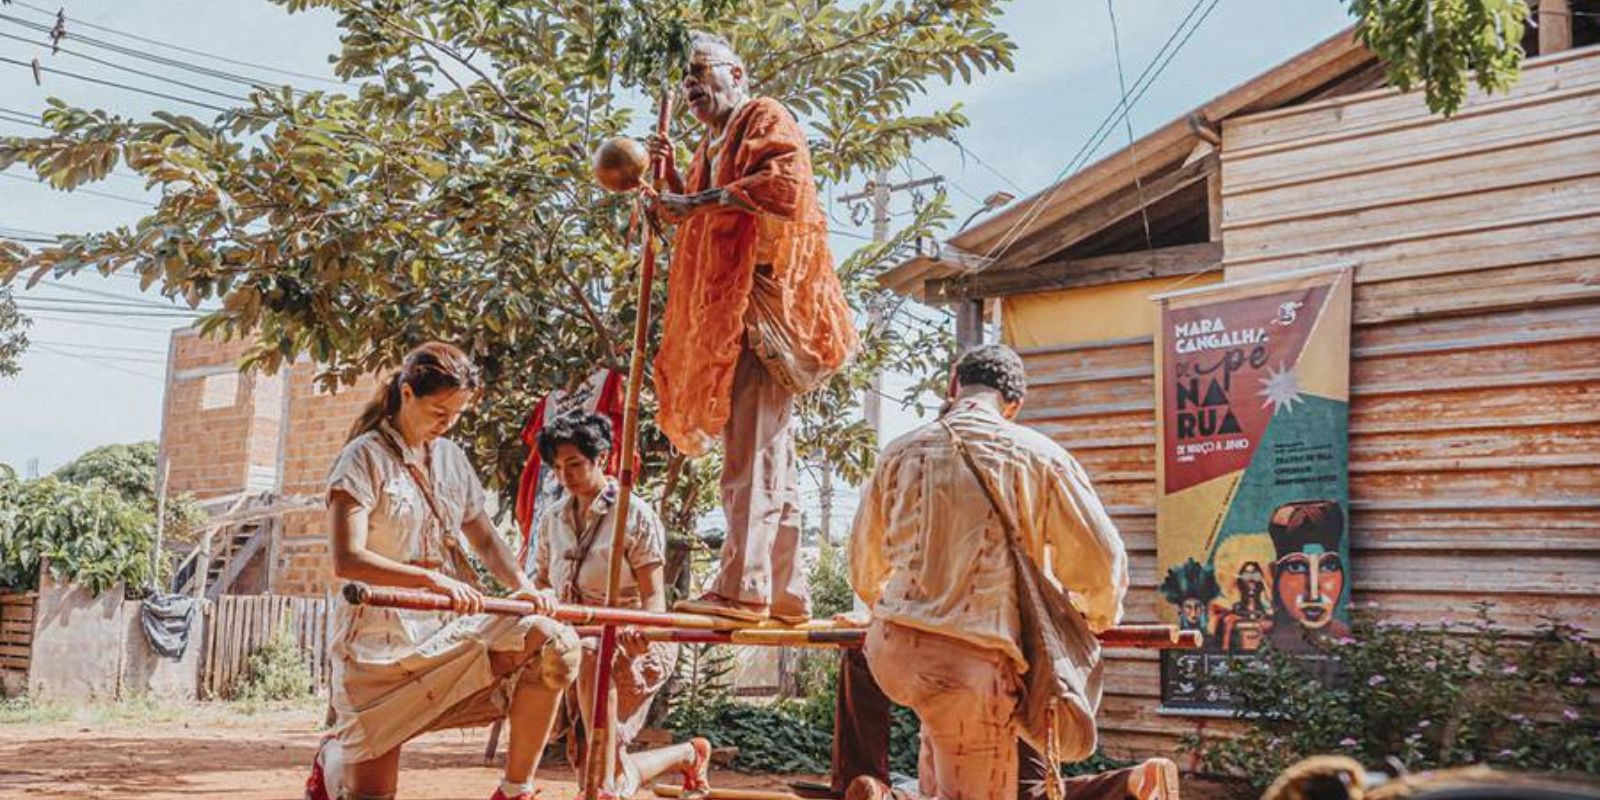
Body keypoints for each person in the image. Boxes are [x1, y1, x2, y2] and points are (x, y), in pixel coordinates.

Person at [845, 344, 1178, 800]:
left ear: (952, 386)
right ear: (1014, 405)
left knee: (938, 747)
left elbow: (864, 562)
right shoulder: (1039, 455)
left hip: (893, 650)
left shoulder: (901, 450)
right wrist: (1096, 617)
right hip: (970, 660)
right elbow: (1102, 562)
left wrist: (879, 601)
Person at [647, 30, 859, 624]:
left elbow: (784, 185)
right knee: (772, 453)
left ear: (736, 76)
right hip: (726, 313)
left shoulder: (762, 116)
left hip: (758, 308)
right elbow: (695, 217)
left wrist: (698, 199)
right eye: (685, 78)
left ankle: (742, 586)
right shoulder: (707, 146)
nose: (691, 84)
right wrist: (669, 186)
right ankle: (786, 593)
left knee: (752, 451)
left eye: (701, 71)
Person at [305, 342, 580, 800]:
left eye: (456, 414)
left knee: (554, 642)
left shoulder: (451, 457)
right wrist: (429, 579)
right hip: (376, 644)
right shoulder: (362, 457)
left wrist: (526, 589)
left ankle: (515, 791)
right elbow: (346, 559)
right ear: (406, 394)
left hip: (446, 632)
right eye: (438, 411)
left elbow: (486, 537)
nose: (446, 423)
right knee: (368, 795)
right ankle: (332, 758)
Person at [528, 411, 713, 799]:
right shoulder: (552, 519)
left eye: (575, 464)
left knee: (594, 656)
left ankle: (604, 788)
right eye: (558, 467)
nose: (565, 476)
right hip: (571, 641)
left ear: (602, 459)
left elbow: (654, 596)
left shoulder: (635, 514)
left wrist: (642, 628)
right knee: (596, 769)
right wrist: (541, 600)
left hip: (633, 640)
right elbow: (541, 581)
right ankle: (683, 756)